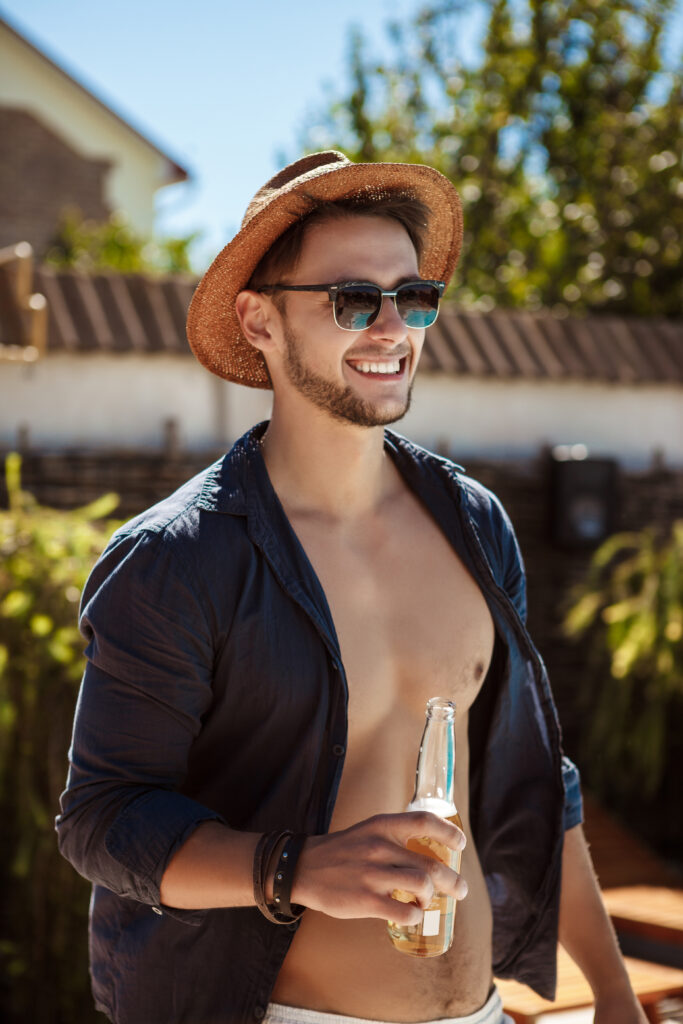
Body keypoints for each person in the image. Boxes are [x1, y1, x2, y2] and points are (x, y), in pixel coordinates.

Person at [57, 151, 647, 1024]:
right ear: (259, 321)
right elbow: (102, 821)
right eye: (351, 300)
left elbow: (528, 773)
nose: (391, 328)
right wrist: (291, 868)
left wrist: (612, 993)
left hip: (481, 1010)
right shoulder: (176, 559)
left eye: (413, 298)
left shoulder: (474, 523)